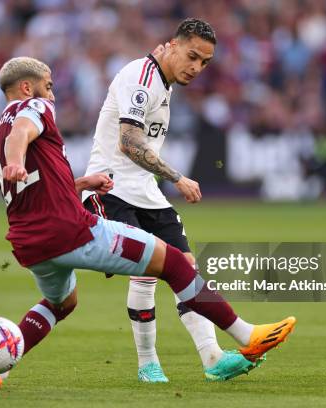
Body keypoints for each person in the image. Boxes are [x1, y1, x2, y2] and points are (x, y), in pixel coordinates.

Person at [0, 56, 296, 389]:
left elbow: (34, 187)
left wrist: (82, 184)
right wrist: (15, 160)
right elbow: (21, 136)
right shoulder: (33, 109)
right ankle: (247, 335)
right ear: (27, 87)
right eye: (49, 86)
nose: (52, 95)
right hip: (69, 231)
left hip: (31, 245)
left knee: (62, 303)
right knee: (172, 260)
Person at [82, 18, 246, 382]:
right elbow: (128, 141)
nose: (197, 68)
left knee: (186, 268)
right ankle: (148, 365)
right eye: (192, 56)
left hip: (145, 190)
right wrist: (177, 177)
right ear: (171, 45)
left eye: (204, 63)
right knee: (148, 273)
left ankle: (213, 358)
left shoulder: (160, 78)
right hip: (112, 189)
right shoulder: (141, 77)